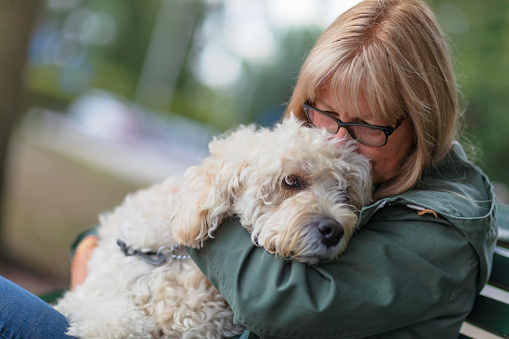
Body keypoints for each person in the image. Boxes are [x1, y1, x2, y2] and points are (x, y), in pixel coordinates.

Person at [0, 0, 497, 338]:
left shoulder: (442, 230)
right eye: (323, 112)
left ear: (424, 120)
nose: (335, 139)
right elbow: (123, 237)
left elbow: (275, 301)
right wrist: (92, 245)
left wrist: (218, 191)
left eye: (367, 124)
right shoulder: (353, 169)